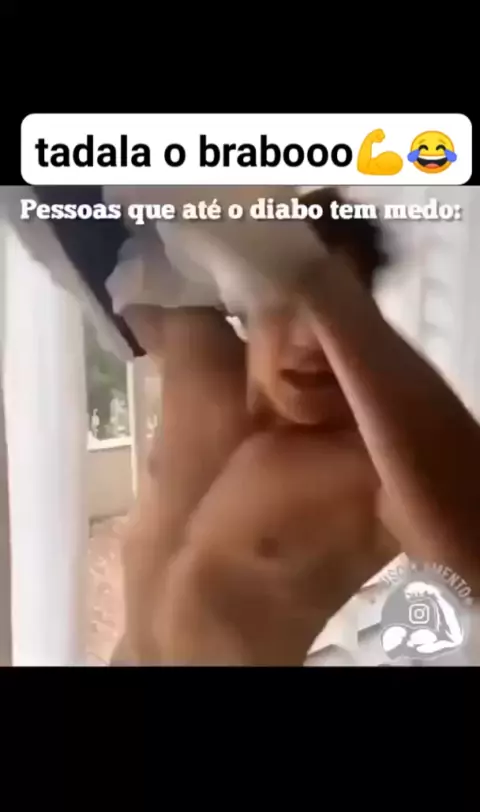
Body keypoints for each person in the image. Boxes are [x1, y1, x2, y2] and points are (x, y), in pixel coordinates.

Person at [109, 187, 480, 666]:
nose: (309, 341)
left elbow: (470, 560)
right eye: (283, 303)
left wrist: (321, 284)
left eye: (327, 317)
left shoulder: (368, 469)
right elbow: (108, 246)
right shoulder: (201, 372)